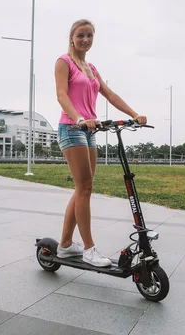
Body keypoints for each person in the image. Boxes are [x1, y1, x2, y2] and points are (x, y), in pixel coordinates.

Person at [55, 19, 147, 267]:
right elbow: (62, 95)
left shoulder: (92, 68)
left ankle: (64, 244)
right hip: (72, 128)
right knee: (84, 188)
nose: (85, 40)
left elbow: (109, 94)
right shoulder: (64, 62)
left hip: (89, 131)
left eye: (90, 36)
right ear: (72, 37)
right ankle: (89, 249)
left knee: (83, 188)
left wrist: (133, 114)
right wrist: (80, 118)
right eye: (81, 35)